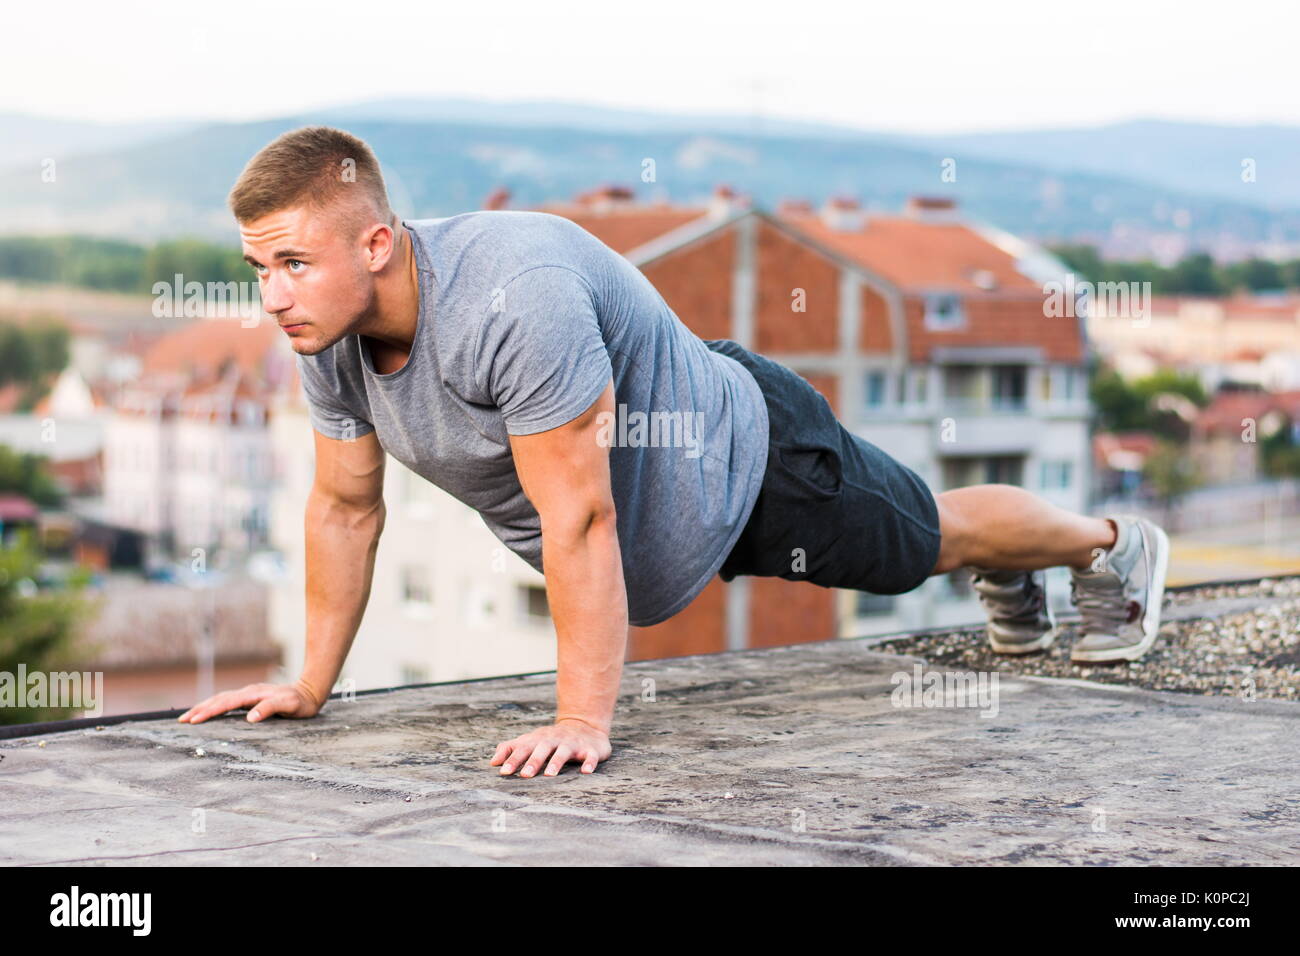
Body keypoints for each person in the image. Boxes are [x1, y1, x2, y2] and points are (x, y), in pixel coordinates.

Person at [178, 126, 1171, 777]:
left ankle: (1105, 543)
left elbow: (580, 512)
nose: (272, 295)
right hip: (679, 520)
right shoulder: (328, 334)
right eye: (259, 267)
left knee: (929, 540)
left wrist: (581, 718)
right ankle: (1024, 572)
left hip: (755, 464)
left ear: (378, 245)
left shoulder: (511, 298)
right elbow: (344, 507)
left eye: (294, 263)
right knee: (933, 537)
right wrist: (309, 683)